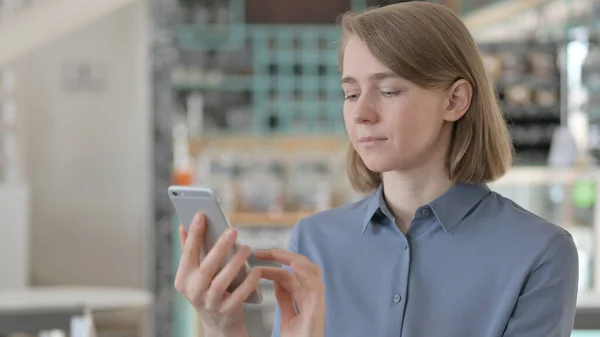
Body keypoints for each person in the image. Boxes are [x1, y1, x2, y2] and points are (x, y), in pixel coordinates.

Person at [175, 2, 579, 337]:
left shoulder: (539, 253)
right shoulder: (314, 241)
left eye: (388, 90)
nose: (362, 113)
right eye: (351, 93)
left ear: (455, 101)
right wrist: (221, 326)